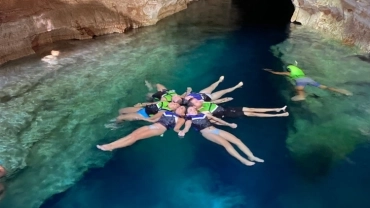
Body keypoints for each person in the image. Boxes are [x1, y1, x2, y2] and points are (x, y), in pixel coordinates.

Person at [178, 106, 264, 166]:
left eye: (192, 109)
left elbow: (217, 120)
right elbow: (187, 127)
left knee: (237, 140)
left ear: (196, 110)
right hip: (206, 133)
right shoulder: (189, 119)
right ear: (188, 113)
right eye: (189, 110)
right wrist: (183, 132)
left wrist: (229, 124)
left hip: (215, 129)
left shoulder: (204, 114)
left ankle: (251, 156)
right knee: (226, 144)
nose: (191, 110)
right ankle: (243, 160)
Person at [98, 106, 187, 151]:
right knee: (133, 135)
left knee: (136, 137)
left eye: (182, 108)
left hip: (160, 129)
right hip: (154, 125)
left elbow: (176, 128)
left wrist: (180, 132)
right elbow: (153, 119)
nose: (180, 108)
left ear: (183, 113)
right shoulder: (165, 111)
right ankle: (110, 145)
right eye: (180, 107)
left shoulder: (181, 119)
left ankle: (111, 146)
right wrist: (139, 117)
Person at [263, 63, 352, 101]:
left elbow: (277, 73)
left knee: (299, 89)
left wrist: (270, 71)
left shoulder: (289, 73)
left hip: (300, 80)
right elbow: (294, 66)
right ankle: (341, 91)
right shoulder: (298, 70)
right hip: (308, 78)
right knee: (324, 87)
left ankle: (302, 96)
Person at [187, 98, 288, 119]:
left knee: (251, 109)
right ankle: (278, 114)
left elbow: (215, 102)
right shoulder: (202, 111)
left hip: (229, 108)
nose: (198, 100)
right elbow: (211, 118)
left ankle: (278, 108)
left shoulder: (203, 102)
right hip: (229, 114)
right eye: (196, 102)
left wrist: (224, 99)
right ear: (194, 106)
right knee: (253, 113)